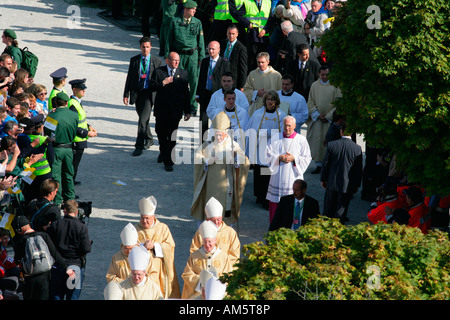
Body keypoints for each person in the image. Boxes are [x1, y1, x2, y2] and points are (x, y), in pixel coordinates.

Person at [191, 111, 250, 226]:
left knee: (224, 211)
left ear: (226, 133)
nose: (218, 137)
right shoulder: (208, 143)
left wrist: (236, 158)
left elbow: (245, 161)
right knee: (209, 208)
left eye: (220, 134)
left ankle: (225, 230)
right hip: (209, 185)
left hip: (226, 186)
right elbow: (197, 157)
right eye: (216, 134)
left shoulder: (233, 145)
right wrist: (207, 161)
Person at [11, 215, 75, 300]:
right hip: (45, 276)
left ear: (20, 229)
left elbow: (17, 260)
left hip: (29, 278)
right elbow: (54, 253)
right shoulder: (44, 235)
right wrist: (66, 268)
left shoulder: (21, 241)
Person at [149, 51, 191, 172]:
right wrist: (163, 83)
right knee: (160, 132)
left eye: (178, 60)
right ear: (167, 61)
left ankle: (169, 161)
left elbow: (186, 93)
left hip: (175, 111)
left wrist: (187, 111)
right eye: (174, 60)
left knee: (172, 135)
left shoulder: (183, 73)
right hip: (161, 109)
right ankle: (163, 151)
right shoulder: (159, 71)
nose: (177, 62)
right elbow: (151, 87)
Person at [265, 115, 312, 222]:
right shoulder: (275, 138)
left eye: (290, 126)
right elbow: (267, 155)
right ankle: (274, 228)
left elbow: (307, 157)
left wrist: (294, 158)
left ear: (295, 126)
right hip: (277, 177)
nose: (287, 128)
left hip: (293, 177)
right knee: (276, 203)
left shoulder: (301, 140)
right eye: (285, 125)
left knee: (292, 202)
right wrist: (279, 158)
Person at [123, 37, 164, 157]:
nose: (145, 49)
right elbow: (129, 77)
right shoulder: (135, 60)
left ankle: (138, 146)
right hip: (137, 93)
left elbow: (159, 80)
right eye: (143, 47)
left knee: (142, 121)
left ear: (151, 47)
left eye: (147, 47)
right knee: (143, 118)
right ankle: (149, 139)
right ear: (140, 47)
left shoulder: (157, 61)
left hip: (149, 94)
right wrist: (126, 94)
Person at [134, 195, 181, 299]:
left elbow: (170, 246)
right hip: (141, 272)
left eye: (147, 218)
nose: (144, 221)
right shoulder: (135, 230)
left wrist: (155, 246)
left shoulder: (163, 228)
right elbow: (127, 248)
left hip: (159, 271)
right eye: (142, 218)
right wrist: (142, 246)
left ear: (153, 217)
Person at [246, 90, 286, 209]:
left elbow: (283, 132)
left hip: (273, 149)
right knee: (260, 172)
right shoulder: (258, 114)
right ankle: (259, 195)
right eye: (268, 99)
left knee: (268, 173)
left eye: (272, 100)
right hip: (260, 148)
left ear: (276, 101)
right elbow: (251, 130)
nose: (270, 102)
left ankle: (267, 199)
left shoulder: (281, 115)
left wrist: (270, 134)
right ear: (265, 101)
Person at [165, 0, 205, 115]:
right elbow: (169, 40)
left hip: (193, 56)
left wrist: (201, 58)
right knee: (178, 81)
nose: (195, 11)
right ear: (186, 9)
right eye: (193, 9)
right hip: (179, 56)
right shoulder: (175, 22)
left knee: (194, 81)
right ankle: (178, 104)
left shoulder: (197, 22)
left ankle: (192, 106)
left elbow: (200, 42)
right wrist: (168, 56)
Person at [47, 199, 92, 300]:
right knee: (72, 296)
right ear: (76, 212)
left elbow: (49, 244)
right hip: (74, 266)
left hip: (58, 265)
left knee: (56, 295)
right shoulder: (81, 227)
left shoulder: (56, 225)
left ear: (65, 211)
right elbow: (86, 249)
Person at [320, 121, 363, 224]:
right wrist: (356, 185)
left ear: (341, 131)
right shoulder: (357, 148)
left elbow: (325, 164)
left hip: (332, 181)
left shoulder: (332, 145)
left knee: (328, 209)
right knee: (341, 211)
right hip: (347, 185)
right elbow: (358, 169)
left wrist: (323, 179)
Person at [181, 220, 234, 299]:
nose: (207, 245)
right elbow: (187, 274)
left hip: (219, 295)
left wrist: (215, 285)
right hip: (198, 294)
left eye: (210, 241)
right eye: (205, 242)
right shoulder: (194, 256)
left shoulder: (223, 256)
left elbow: (229, 275)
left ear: (215, 240)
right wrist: (201, 283)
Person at [43, 91, 79, 205]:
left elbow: (47, 133)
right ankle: (70, 199)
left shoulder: (52, 116)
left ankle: (57, 200)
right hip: (68, 148)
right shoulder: (74, 115)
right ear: (66, 102)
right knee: (69, 174)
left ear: (56, 103)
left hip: (56, 149)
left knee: (56, 175)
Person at [306, 65, 342, 174]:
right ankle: (319, 165)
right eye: (322, 74)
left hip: (329, 120)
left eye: (327, 74)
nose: (325, 77)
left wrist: (328, 116)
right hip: (318, 119)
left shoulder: (335, 86)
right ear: (318, 74)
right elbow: (310, 102)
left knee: (329, 143)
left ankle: (329, 165)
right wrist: (316, 114)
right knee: (318, 143)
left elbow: (338, 103)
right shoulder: (314, 85)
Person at [190, 196, 241, 267]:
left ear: (222, 218)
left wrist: (226, 267)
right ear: (207, 219)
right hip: (204, 266)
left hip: (224, 269)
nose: (216, 222)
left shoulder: (230, 232)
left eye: (218, 219)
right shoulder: (200, 232)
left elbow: (235, 254)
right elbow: (194, 251)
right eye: (213, 220)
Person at [229, 0, 276, 72]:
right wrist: (247, 24)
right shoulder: (247, 2)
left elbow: (271, 19)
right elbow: (237, 15)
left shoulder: (267, 2)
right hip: (252, 34)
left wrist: (265, 30)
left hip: (264, 36)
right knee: (252, 60)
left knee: (263, 59)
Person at [197, 41, 230, 140]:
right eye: (209, 49)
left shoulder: (224, 63)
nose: (210, 51)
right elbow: (201, 78)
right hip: (205, 93)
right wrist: (197, 93)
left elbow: (228, 81)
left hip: (217, 95)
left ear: (219, 50)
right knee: (203, 120)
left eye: (213, 49)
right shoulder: (205, 61)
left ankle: (217, 142)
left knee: (218, 120)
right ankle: (202, 144)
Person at [67, 78, 97, 184]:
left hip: (80, 138)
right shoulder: (73, 104)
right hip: (76, 139)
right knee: (73, 164)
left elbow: (79, 120)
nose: (84, 90)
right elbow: (72, 125)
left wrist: (88, 126)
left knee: (76, 163)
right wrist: (87, 133)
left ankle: (72, 181)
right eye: (81, 89)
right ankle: (70, 184)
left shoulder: (77, 102)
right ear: (74, 90)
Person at [243, 52, 282, 116]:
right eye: (258, 62)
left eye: (262, 62)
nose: (260, 64)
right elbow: (246, 90)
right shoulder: (252, 74)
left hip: (272, 108)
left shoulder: (276, 75)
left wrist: (271, 94)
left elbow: (281, 92)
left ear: (268, 62)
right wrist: (256, 93)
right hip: (256, 108)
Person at [220, 24, 248, 91]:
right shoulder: (223, 44)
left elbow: (243, 68)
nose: (231, 36)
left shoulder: (241, 48)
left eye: (233, 34)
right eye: (229, 33)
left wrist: (242, 85)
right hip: (222, 78)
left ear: (237, 34)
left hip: (234, 81)